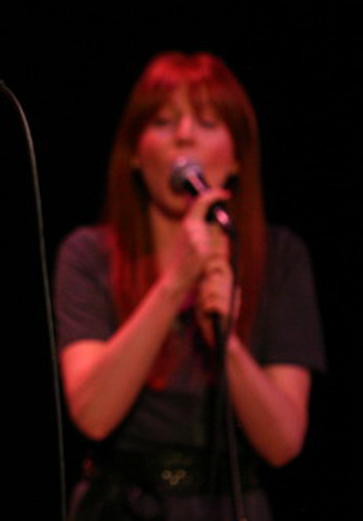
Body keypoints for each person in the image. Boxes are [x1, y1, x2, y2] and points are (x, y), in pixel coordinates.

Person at [54, 52, 325, 520]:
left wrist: (227, 343)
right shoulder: (88, 254)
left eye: (206, 122)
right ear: (134, 152)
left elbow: (283, 442)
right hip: (122, 505)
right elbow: (93, 414)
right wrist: (175, 284)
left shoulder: (280, 256)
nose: (184, 135)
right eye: (163, 121)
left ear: (236, 156)